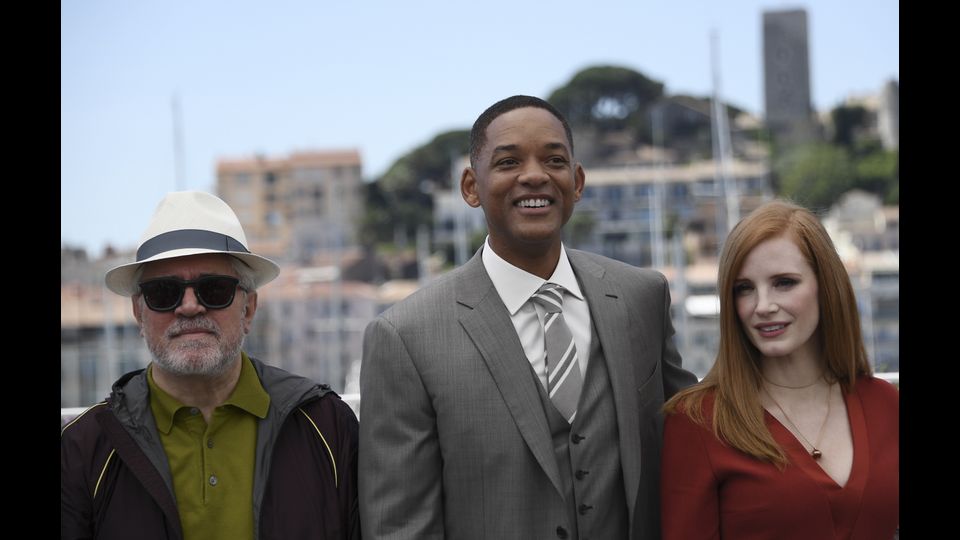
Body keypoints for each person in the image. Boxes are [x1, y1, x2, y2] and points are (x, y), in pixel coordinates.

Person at [359, 95, 697, 540]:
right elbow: (400, 526)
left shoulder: (641, 297)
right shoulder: (405, 337)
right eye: (508, 162)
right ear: (470, 187)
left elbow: (695, 443)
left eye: (554, 160)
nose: (535, 175)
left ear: (576, 181)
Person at [61, 191, 361, 540]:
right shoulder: (83, 449)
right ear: (137, 313)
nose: (189, 307)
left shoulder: (327, 426)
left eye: (214, 289)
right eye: (163, 292)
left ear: (248, 309)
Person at [661, 200, 899, 539]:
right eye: (744, 289)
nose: (763, 306)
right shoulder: (699, 421)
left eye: (784, 283)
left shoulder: (884, 403)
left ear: (825, 286)